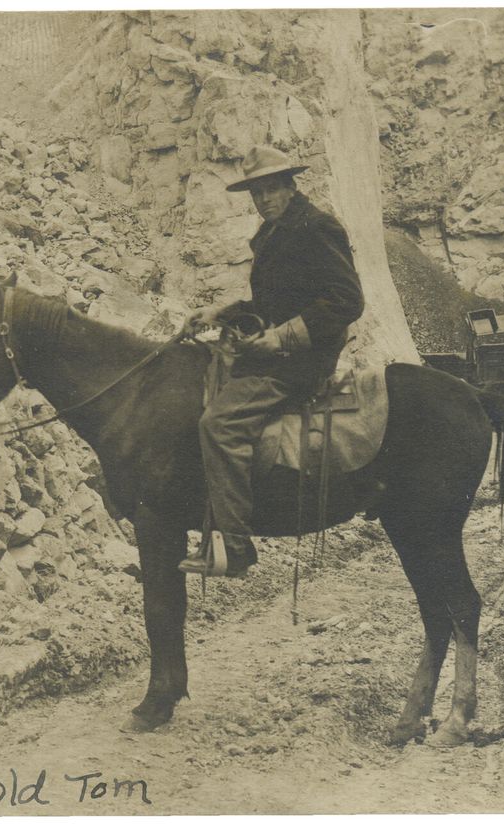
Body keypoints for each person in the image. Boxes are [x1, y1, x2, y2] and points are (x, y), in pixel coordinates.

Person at [179, 145, 365, 577]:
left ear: (288, 186)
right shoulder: (275, 233)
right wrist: (218, 313)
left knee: (219, 425)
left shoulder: (317, 228)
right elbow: (270, 301)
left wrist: (282, 337)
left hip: (302, 360)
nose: (263, 201)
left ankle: (236, 547)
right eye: (256, 194)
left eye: (270, 191)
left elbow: (347, 300)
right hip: (274, 350)